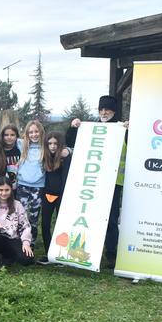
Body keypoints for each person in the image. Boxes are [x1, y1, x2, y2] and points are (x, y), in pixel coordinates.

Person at [66, 94, 128, 268]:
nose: (103, 112)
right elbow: (71, 142)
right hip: (92, 181)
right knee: (90, 217)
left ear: (114, 111)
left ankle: (111, 253)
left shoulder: (122, 128)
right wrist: (73, 128)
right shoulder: (91, 127)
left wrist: (129, 130)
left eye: (107, 109)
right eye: (101, 109)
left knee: (111, 218)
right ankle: (91, 250)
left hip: (114, 182)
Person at [38, 131, 71, 265]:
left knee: (61, 226)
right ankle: (49, 253)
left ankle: (61, 254)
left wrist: (68, 152)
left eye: (55, 143)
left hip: (62, 195)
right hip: (47, 195)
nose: (52, 146)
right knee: (45, 225)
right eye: (50, 143)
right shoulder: (44, 157)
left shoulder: (65, 156)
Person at [16, 120, 46, 246]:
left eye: (36, 131)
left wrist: (67, 150)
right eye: (31, 132)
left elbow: (61, 147)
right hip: (22, 186)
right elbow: (5, 138)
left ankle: (31, 243)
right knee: (20, 215)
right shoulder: (21, 144)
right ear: (27, 134)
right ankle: (18, 241)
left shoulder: (45, 147)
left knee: (33, 217)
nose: (34, 134)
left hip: (38, 187)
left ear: (41, 132)